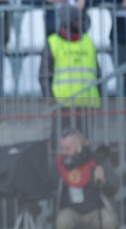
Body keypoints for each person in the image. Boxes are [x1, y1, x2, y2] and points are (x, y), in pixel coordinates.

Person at [55, 130, 118, 229]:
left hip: (95, 210)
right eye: (62, 148)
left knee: (108, 221)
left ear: (79, 146)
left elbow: (114, 188)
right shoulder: (60, 163)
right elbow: (49, 186)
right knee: (62, 221)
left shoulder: (97, 160)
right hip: (71, 211)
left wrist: (103, 181)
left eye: (67, 148)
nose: (63, 152)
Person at [39, 3, 101, 133]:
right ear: (67, 22)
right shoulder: (53, 42)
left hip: (88, 105)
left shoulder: (88, 42)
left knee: (84, 146)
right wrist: (52, 103)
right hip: (62, 106)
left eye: (81, 19)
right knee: (61, 145)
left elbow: (98, 75)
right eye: (77, 20)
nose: (81, 23)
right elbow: (44, 76)